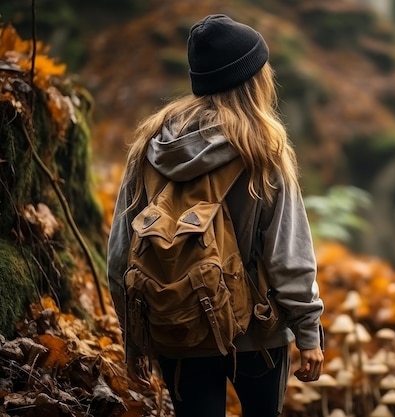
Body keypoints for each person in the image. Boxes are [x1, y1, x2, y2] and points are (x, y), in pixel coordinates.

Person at [106, 14, 324, 417]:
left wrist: (135, 337)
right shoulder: (263, 150)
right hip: (258, 333)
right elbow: (288, 256)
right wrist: (308, 331)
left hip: (178, 326)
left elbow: (121, 252)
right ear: (253, 78)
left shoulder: (151, 145)